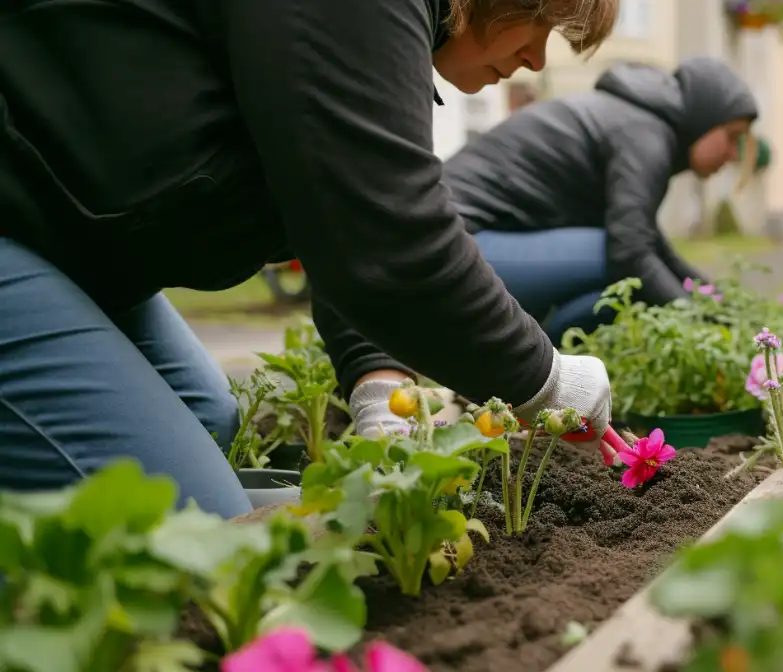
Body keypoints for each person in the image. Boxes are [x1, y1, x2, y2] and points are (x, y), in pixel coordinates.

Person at [0, 0, 617, 519]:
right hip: (18, 222)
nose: (537, 59)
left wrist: (380, 384)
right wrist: (549, 381)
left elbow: (337, 212)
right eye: (543, 22)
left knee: (210, 415)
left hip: (66, 241)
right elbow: (393, 241)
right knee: (206, 530)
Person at [324, 57, 760, 437]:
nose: (733, 154)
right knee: (621, 267)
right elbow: (631, 251)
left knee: (613, 295)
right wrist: (699, 316)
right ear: (705, 116)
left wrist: (718, 303)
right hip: (450, 247)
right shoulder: (645, 132)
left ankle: (500, 386)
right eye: (732, 135)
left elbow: (651, 244)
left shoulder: (635, 121)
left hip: (476, 244)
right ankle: (513, 382)